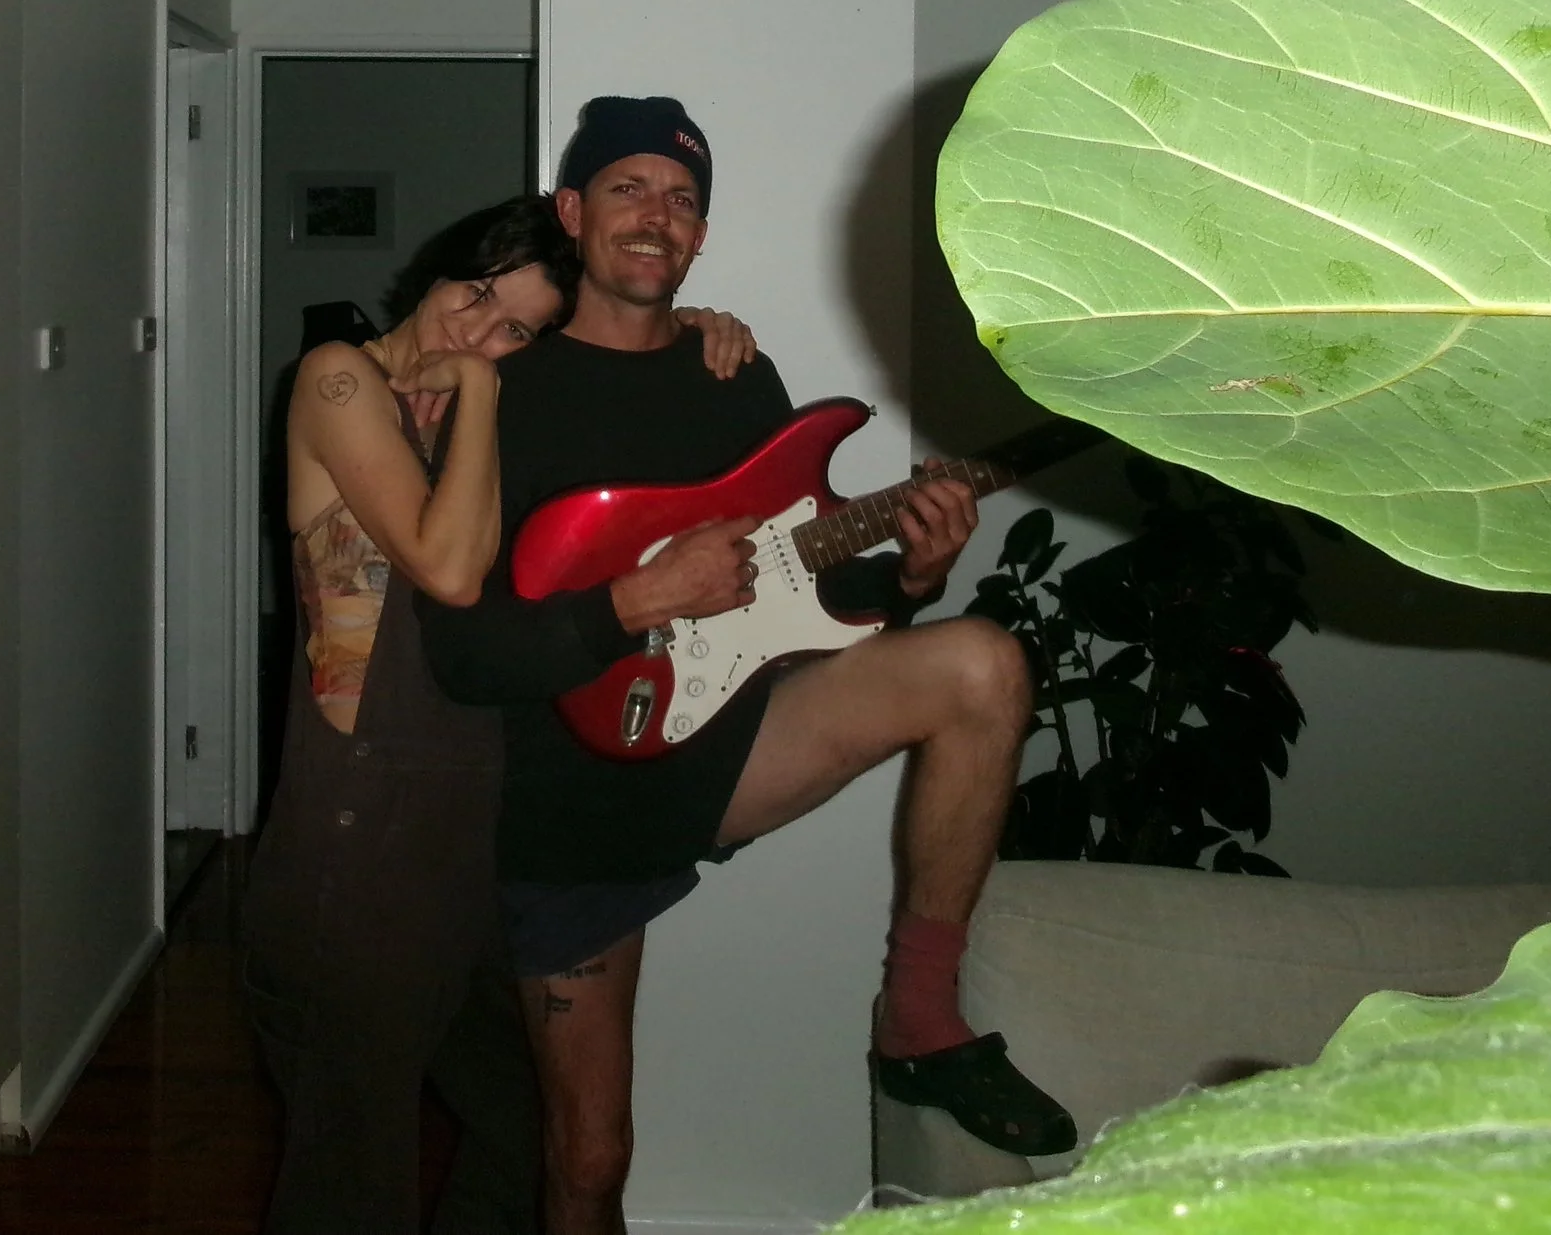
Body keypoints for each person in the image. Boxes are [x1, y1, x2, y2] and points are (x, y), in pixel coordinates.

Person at [418, 98, 1076, 1235]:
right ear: (571, 211)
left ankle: (919, 1016)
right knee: (589, 1156)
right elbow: (463, 656)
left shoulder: (736, 375)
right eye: (628, 188)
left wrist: (912, 577)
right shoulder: (502, 391)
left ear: (701, 235)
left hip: (724, 743)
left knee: (981, 663)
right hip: (572, 805)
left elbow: (792, 597)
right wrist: (640, 598)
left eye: (681, 199)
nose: (656, 216)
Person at [244, 193, 760, 1235]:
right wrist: (481, 384)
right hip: (361, 828)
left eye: (517, 329)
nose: (480, 331)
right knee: (353, 1176)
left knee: (530, 1132)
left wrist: (698, 326)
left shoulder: (472, 414)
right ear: (434, 270)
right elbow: (447, 566)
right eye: (476, 294)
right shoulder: (340, 378)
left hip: (472, 824)